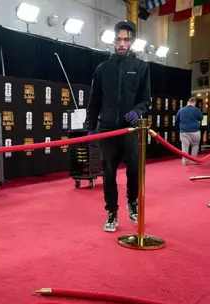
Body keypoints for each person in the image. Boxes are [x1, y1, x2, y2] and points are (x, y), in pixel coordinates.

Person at [85, 20, 151, 232]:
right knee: (109, 172)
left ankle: (132, 202)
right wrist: (90, 127)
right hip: (108, 129)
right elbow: (94, 100)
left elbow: (146, 99)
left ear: (132, 42)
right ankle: (112, 212)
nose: (121, 44)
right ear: (114, 41)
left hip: (131, 129)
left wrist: (137, 112)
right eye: (118, 40)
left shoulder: (141, 67)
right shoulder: (102, 69)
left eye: (126, 40)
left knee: (134, 169)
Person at [176, 97, 204, 165]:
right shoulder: (197, 110)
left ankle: (184, 161)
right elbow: (201, 118)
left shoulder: (181, 110)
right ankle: (194, 161)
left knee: (185, 147)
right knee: (195, 145)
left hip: (184, 131)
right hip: (195, 131)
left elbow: (177, 119)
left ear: (188, 102)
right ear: (194, 103)